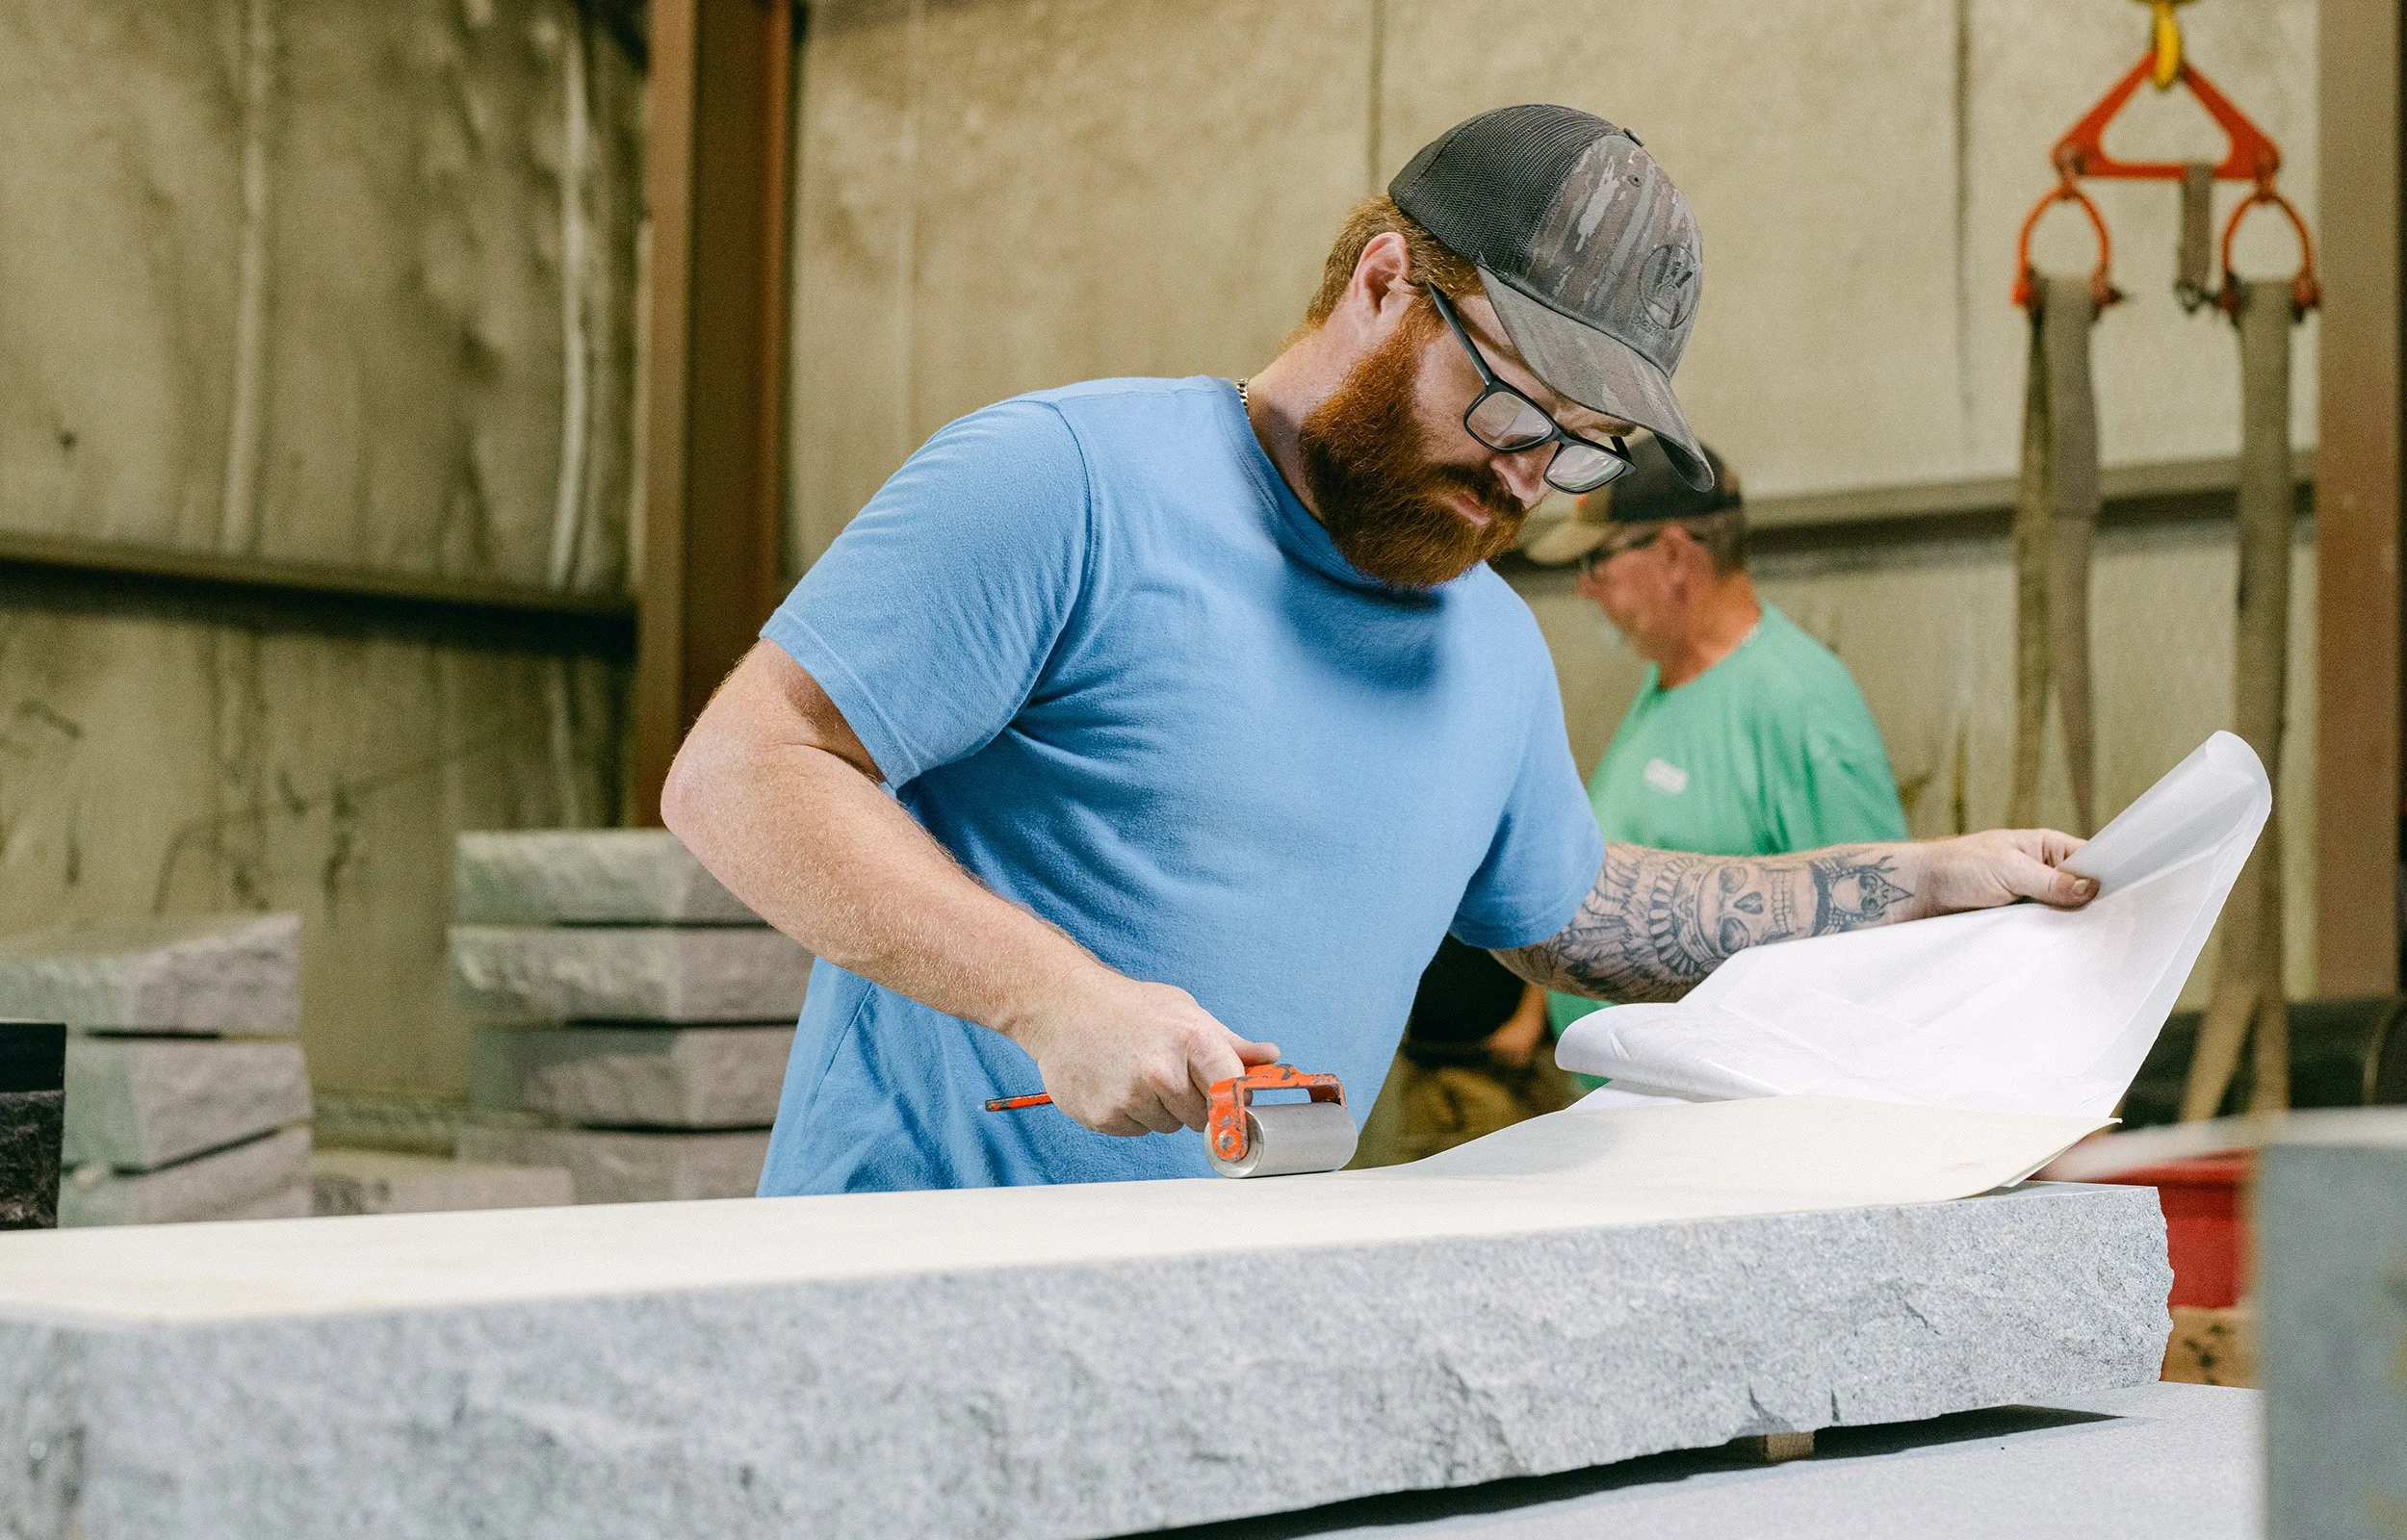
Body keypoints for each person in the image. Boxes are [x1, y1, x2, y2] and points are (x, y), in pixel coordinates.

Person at [662, 104, 2095, 1194]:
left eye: (1579, 455)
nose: (1530, 480)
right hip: (911, 1309)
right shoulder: (1069, 488)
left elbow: (1582, 919)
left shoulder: (1491, 651)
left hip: (1254, 1349)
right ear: (1385, 281)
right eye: (1514, 409)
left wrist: (1917, 882)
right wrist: (1056, 1002)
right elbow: (739, 773)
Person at [1524, 438, 1911, 1054]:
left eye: (1596, 562)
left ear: (1674, 554)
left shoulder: (1795, 699)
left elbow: (1880, 929)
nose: (1585, 589)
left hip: (1738, 1122)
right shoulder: (1670, 676)